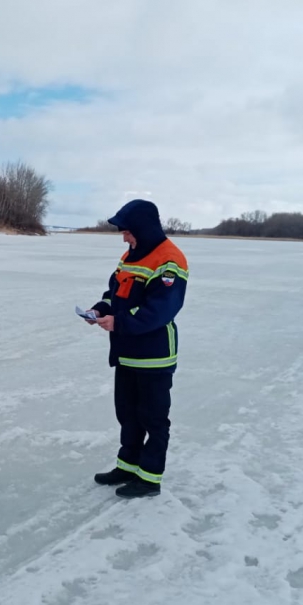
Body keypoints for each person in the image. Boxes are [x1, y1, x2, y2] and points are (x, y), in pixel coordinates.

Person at [87, 199, 189, 498]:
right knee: (128, 414)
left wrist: (118, 322)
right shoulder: (130, 255)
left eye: (127, 231)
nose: (124, 237)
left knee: (153, 419)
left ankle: (150, 478)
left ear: (143, 228)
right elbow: (115, 292)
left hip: (154, 357)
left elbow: (160, 310)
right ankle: (128, 466)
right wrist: (100, 309)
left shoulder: (170, 260)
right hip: (126, 353)